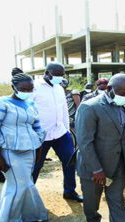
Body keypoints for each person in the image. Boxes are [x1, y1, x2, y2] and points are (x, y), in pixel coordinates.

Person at [75, 73, 125, 222]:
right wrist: (96, 169)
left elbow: (122, 135)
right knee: (91, 200)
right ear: (109, 89)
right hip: (93, 166)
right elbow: (84, 142)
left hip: (117, 163)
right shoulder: (89, 107)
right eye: (121, 93)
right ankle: (93, 219)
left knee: (117, 201)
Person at [0, 73, 48, 222]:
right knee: (18, 187)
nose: (27, 91)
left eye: (30, 89)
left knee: (24, 184)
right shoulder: (1, 104)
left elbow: (37, 127)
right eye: (23, 89)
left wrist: (38, 151)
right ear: (14, 88)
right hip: (10, 152)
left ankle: (27, 215)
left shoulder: (31, 103)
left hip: (29, 151)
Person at [32, 62, 83, 202]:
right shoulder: (34, 88)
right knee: (36, 165)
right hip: (41, 135)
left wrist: (66, 129)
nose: (60, 77)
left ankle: (69, 191)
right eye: (57, 75)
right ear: (47, 73)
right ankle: (28, 196)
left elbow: (64, 111)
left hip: (60, 133)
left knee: (70, 161)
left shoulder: (59, 88)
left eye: (62, 75)